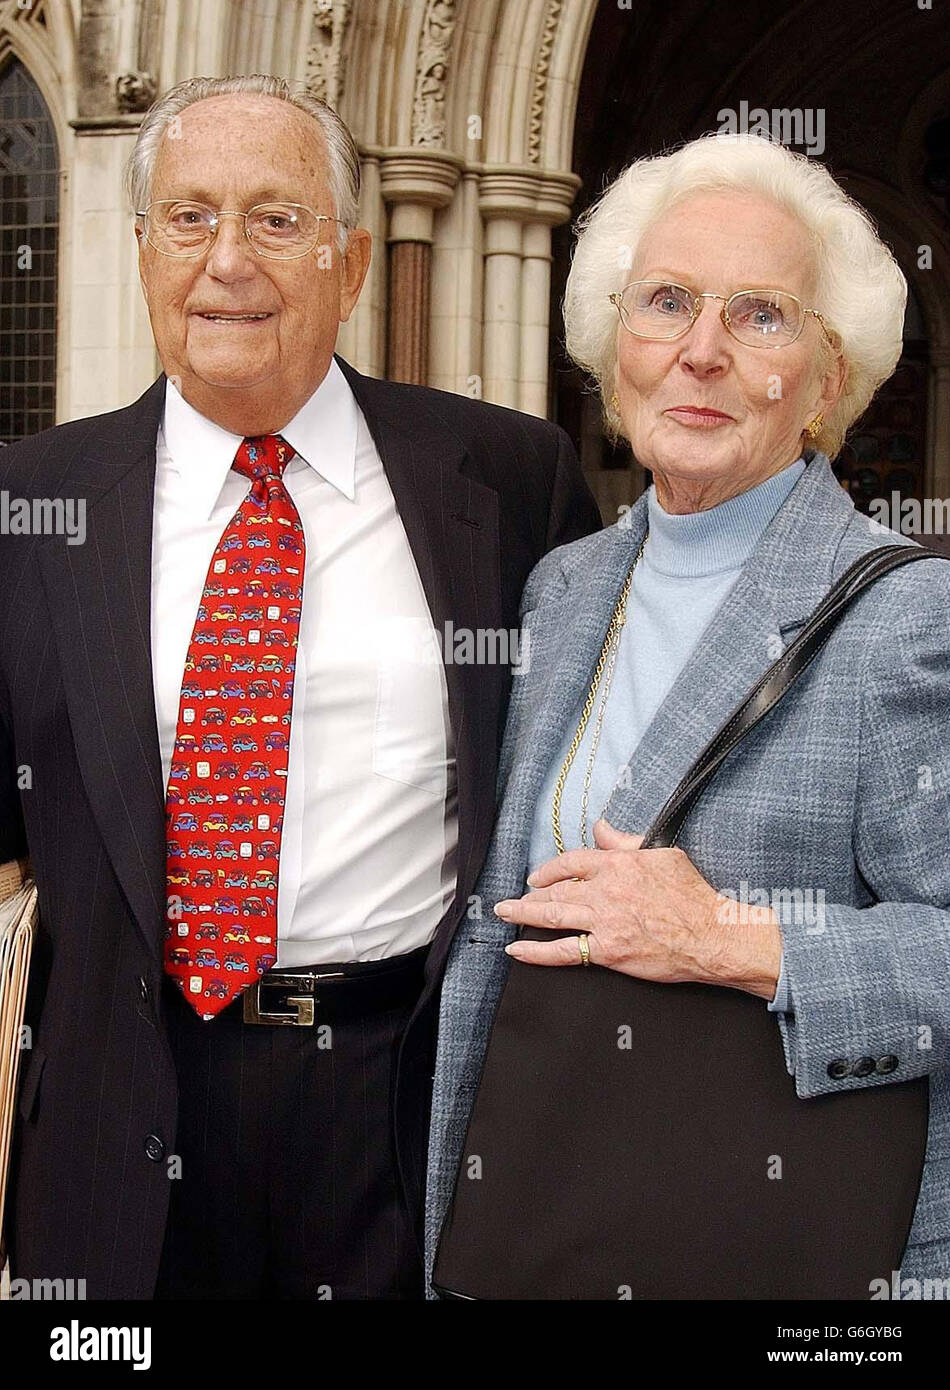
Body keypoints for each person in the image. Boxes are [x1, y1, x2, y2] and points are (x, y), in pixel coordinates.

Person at [0, 74, 599, 1299]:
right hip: (124, 1106)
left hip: (403, 1100)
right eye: (188, 218)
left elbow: (575, 766)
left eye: (277, 218)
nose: (227, 261)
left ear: (355, 260)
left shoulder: (506, 479)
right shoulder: (29, 505)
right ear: (141, 250)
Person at [425, 131, 950, 1295]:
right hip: (539, 1215)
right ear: (616, 351)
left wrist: (732, 939)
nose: (701, 352)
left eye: (758, 314)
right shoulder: (564, 589)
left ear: (827, 380)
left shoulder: (908, 618)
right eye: (666, 302)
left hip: (777, 1249)